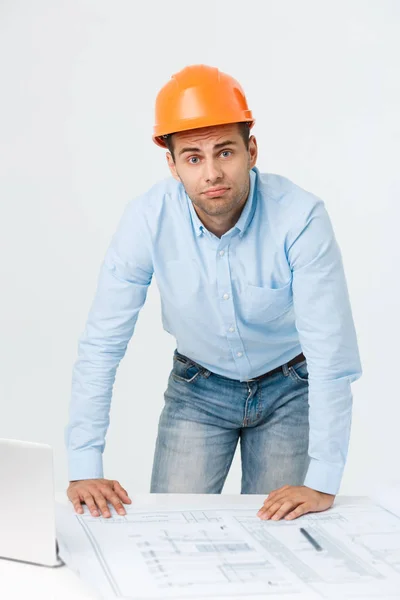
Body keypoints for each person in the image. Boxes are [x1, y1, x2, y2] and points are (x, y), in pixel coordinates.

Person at [65, 64, 362, 522]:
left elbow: (330, 353)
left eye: (225, 151)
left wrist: (323, 479)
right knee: (170, 532)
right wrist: (84, 465)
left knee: (277, 538)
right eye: (193, 157)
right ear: (172, 164)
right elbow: (102, 342)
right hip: (197, 391)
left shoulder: (300, 218)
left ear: (252, 150)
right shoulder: (146, 220)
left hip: (290, 390)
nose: (212, 173)